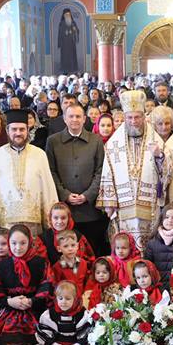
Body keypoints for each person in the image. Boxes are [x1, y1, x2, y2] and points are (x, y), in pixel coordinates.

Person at [97, 90, 171, 250]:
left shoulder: (155, 140)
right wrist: (109, 203)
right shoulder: (113, 143)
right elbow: (107, 172)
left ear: (144, 117)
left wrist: (159, 156)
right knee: (125, 248)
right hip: (123, 206)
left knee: (147, 249)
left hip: (149, 205)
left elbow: (167, 173)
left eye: (137, 117)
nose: (133, 121)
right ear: (124, 118)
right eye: (129, 117)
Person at [0, 109, 58, 237]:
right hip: (5, 223)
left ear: (28, 130)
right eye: (14, 129)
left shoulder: (39, 154)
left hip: (34, 222)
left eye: (22, 129)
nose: (18, 133)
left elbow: (48, 188)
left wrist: (51, 218)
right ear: (7, 130)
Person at [45, 102, 107, 254]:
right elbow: (50, 171)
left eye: (78, 116)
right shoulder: (53, 141)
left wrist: (87, 195)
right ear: (64, 119)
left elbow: (101, 171)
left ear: (85, 119)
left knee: (91, 251)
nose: (74, 120)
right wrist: (65, 194)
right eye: (71, 116)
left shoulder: (95, 140)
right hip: (64, 211)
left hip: (90, 210)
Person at [23, 280, 91, 345]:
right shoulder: (50, 314)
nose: (63, 302)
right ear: (56, 299)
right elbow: (44, 334)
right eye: (60, 298)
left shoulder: (82, 314)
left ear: (76, 299)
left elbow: (86, 333)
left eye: (68, 299)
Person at [143, 204, 173, 282]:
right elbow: (147, 267)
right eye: (166, 217)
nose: (170, 220)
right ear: (162, 219)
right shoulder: (152, 243)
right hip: (158, 286)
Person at [47, 230, 90, 296]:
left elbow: (86, 282)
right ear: (59, 249)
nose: (70, 249)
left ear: (77, 246)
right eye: (65, 246)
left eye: (73, 245)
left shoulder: (83, 263)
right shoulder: (57, 267)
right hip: (66, 302)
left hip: (81, 300)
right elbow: (56, 288)